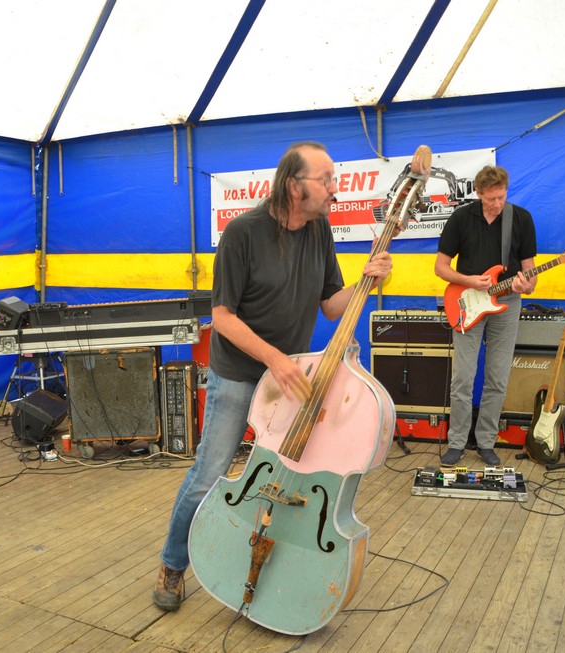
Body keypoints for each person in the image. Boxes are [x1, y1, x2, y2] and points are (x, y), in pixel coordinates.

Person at [153, 142, 395, 611]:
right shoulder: (242, 232)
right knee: (209, 474)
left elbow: (331, 306)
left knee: (287, 481)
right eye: (325, 179)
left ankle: (267, 566)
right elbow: (222, 317)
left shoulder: (319, 230)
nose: (335, 188)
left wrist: (367, 281)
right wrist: (275, 360)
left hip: (288, 376)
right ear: (294, 186)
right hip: (240, 373)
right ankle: (172, 564)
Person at [434, 165, 537, 467]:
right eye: (491, 198)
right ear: (478, 193)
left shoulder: (521, 219)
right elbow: (440, 267)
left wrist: (525, 285)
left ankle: (486, 442)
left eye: (501, 197)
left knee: (497, 378)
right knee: (462, 378)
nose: (497, 203)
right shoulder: (461, 218)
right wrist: (468, 280)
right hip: (467, 302)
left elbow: (530, 276)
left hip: (507, 303)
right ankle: (456, 443)